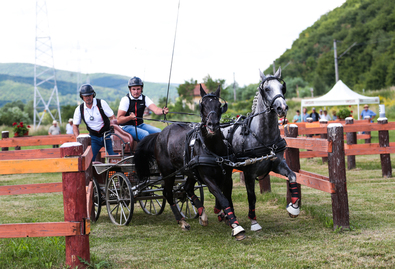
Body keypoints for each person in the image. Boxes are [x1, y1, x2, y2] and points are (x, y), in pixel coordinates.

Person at [117, 76, 169, 141]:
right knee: (145, 134)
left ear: (141, 89)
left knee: (159, 131)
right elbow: (119, 120)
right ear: (130, 89)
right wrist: (129, 118)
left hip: (140, 125)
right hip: (126, 127)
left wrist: (163, 111)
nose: (136, 91)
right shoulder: (125, 100)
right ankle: (146, 151)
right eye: (134, 89)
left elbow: (156, 110)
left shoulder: (145, 98)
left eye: (138, 89)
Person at [73, 84, 116, 161]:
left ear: (93, 94)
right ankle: (94, 173)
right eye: (85, 96)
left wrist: (115, 132)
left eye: (89, 95)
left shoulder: (101, 103)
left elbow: (113, 117)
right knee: (89, 159)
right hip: (93, 137)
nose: (88, 98)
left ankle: (117, 173)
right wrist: (78, 139)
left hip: (107, 135)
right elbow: (75, 125)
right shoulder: (79, 109)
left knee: (114, 157)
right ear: (82, 96)